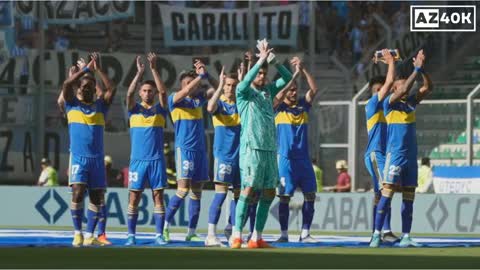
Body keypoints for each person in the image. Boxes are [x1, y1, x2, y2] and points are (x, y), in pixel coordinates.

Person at [231, 39, 293, 249]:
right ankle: (236, 235)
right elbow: (244, 81)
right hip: (252, 149)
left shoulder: (268, 92)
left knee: (269, 193)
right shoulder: (244, 93)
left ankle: (256, 237)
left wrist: (272, 60)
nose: (262, 76)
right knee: (248, 191)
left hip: (269, 150)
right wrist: (259, 62)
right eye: (259, 73)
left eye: (264, 74)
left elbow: (287, 77)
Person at [370, 49, 432, 248]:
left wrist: (422, 70)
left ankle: (406, 236)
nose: (402, 87)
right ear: (393, 89)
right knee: (386, 195)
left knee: (409, 197)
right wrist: (415, 69)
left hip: (410, 156)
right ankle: (377, 234)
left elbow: (428, 87)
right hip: (394, 155)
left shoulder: (410, 104)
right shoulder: (389, 103)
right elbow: (405, 89)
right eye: (398, 85)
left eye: (402, 85)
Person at [62, 52, 116, 247]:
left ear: (94, 89)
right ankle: (77, 233)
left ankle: (89, 234)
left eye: (90, 86)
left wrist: (98, 69)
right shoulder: (71, 105)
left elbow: (112, 88)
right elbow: (67, 85)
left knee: (96, 197)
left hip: (97, 159)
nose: (86, 87)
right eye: (83, 85)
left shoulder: (101, 106)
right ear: (79, 88)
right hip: (78, 158)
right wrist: (85, 69)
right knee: (77, 192)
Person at [164, 59, 218, 242]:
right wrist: (199, 77)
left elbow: (218, 89)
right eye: (186, 82)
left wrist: (207, 74)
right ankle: (164, 226)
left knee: (197, 192)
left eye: (192, 82)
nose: (190, 85)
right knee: (182, 189)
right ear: (181, 84)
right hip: (184, 149)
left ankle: (191, 232)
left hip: (200, 150)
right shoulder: (174, 99)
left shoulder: (199, 99)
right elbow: (186, 91)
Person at [124, 53, 169, 246]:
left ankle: (159, 235)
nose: (148, 93)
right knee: (134, 197)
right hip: (138, 161)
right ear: (140, 93)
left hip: (156, 160)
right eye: (144, 90)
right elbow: (128, 94)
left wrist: (154, 69)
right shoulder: (134, 110)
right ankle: (131, 235)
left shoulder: (160, 110)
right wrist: (139, 72)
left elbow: (164, 94)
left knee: (158, 197)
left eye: (150, 91)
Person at [272, 57, 318, 243]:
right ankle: (283, 234)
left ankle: (305, 233)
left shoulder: (303, 105)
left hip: (303, 160)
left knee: (310, 195)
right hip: (285, 160)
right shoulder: (277, 107)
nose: (292, 93)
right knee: (284, 197)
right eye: (289, 90)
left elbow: (314, 90)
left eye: (294, 90)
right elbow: (277, 97)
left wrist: (304, 69)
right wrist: (292, 77)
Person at [204, 65, 241, 247]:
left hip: (240, 157)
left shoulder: (241, 105)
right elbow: (210, 107)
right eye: (228, 85)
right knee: (220, 195)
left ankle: (234, 232)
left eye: (234, 85)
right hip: (223, 156)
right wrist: (219, 86)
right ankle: (210, 234)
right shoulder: (220, 104)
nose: (230, 88)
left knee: (238, 196)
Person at [364, 49, 397, 243]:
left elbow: (393, 86)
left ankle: (381, 231)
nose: (380, 92)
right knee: (387, 189)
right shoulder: (371, 104)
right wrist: (391, 62)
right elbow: (390, 83)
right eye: (377, 90)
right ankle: (382, 232)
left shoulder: (388, 107)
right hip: (376, 154)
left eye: (380, 90)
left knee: (381, 194)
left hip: (384, 154)